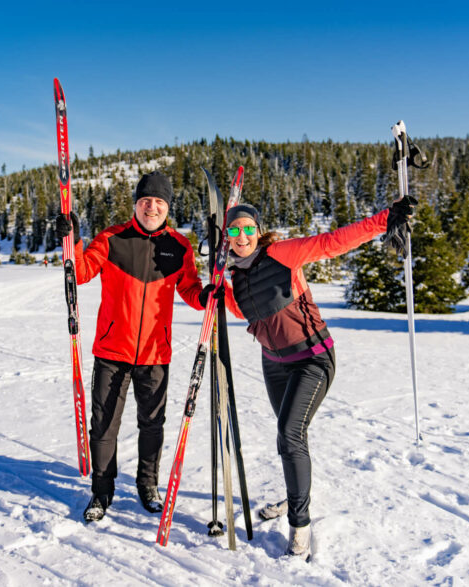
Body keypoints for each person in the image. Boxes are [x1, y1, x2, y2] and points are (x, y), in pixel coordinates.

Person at [219, 197, 414, 559]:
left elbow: (332, 242)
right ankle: (295, 496)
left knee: (290, 434)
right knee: (289, 436)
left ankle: (300, 524)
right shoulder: (233, 272)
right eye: (235, 229)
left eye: (249, 228)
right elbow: (247, 311)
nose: (242, 235)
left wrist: (384, 219)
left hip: (313, 357)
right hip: (273, 362)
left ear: (258, 232)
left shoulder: (281, 253)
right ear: (226, 236)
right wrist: (217, 295)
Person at [54, 171, 218, 523]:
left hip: (156, 354)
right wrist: (74, 239)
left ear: (168, 207)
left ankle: (148, 485)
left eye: (159, 202)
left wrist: (205, 296)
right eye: (146, 201)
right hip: (112, 350)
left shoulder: (179, 246)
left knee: (152, 424)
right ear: (136, 204)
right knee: (103, 426)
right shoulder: (113, 238)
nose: (152, 207)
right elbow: (81, 272)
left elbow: (190, 289)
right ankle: (101, 491)